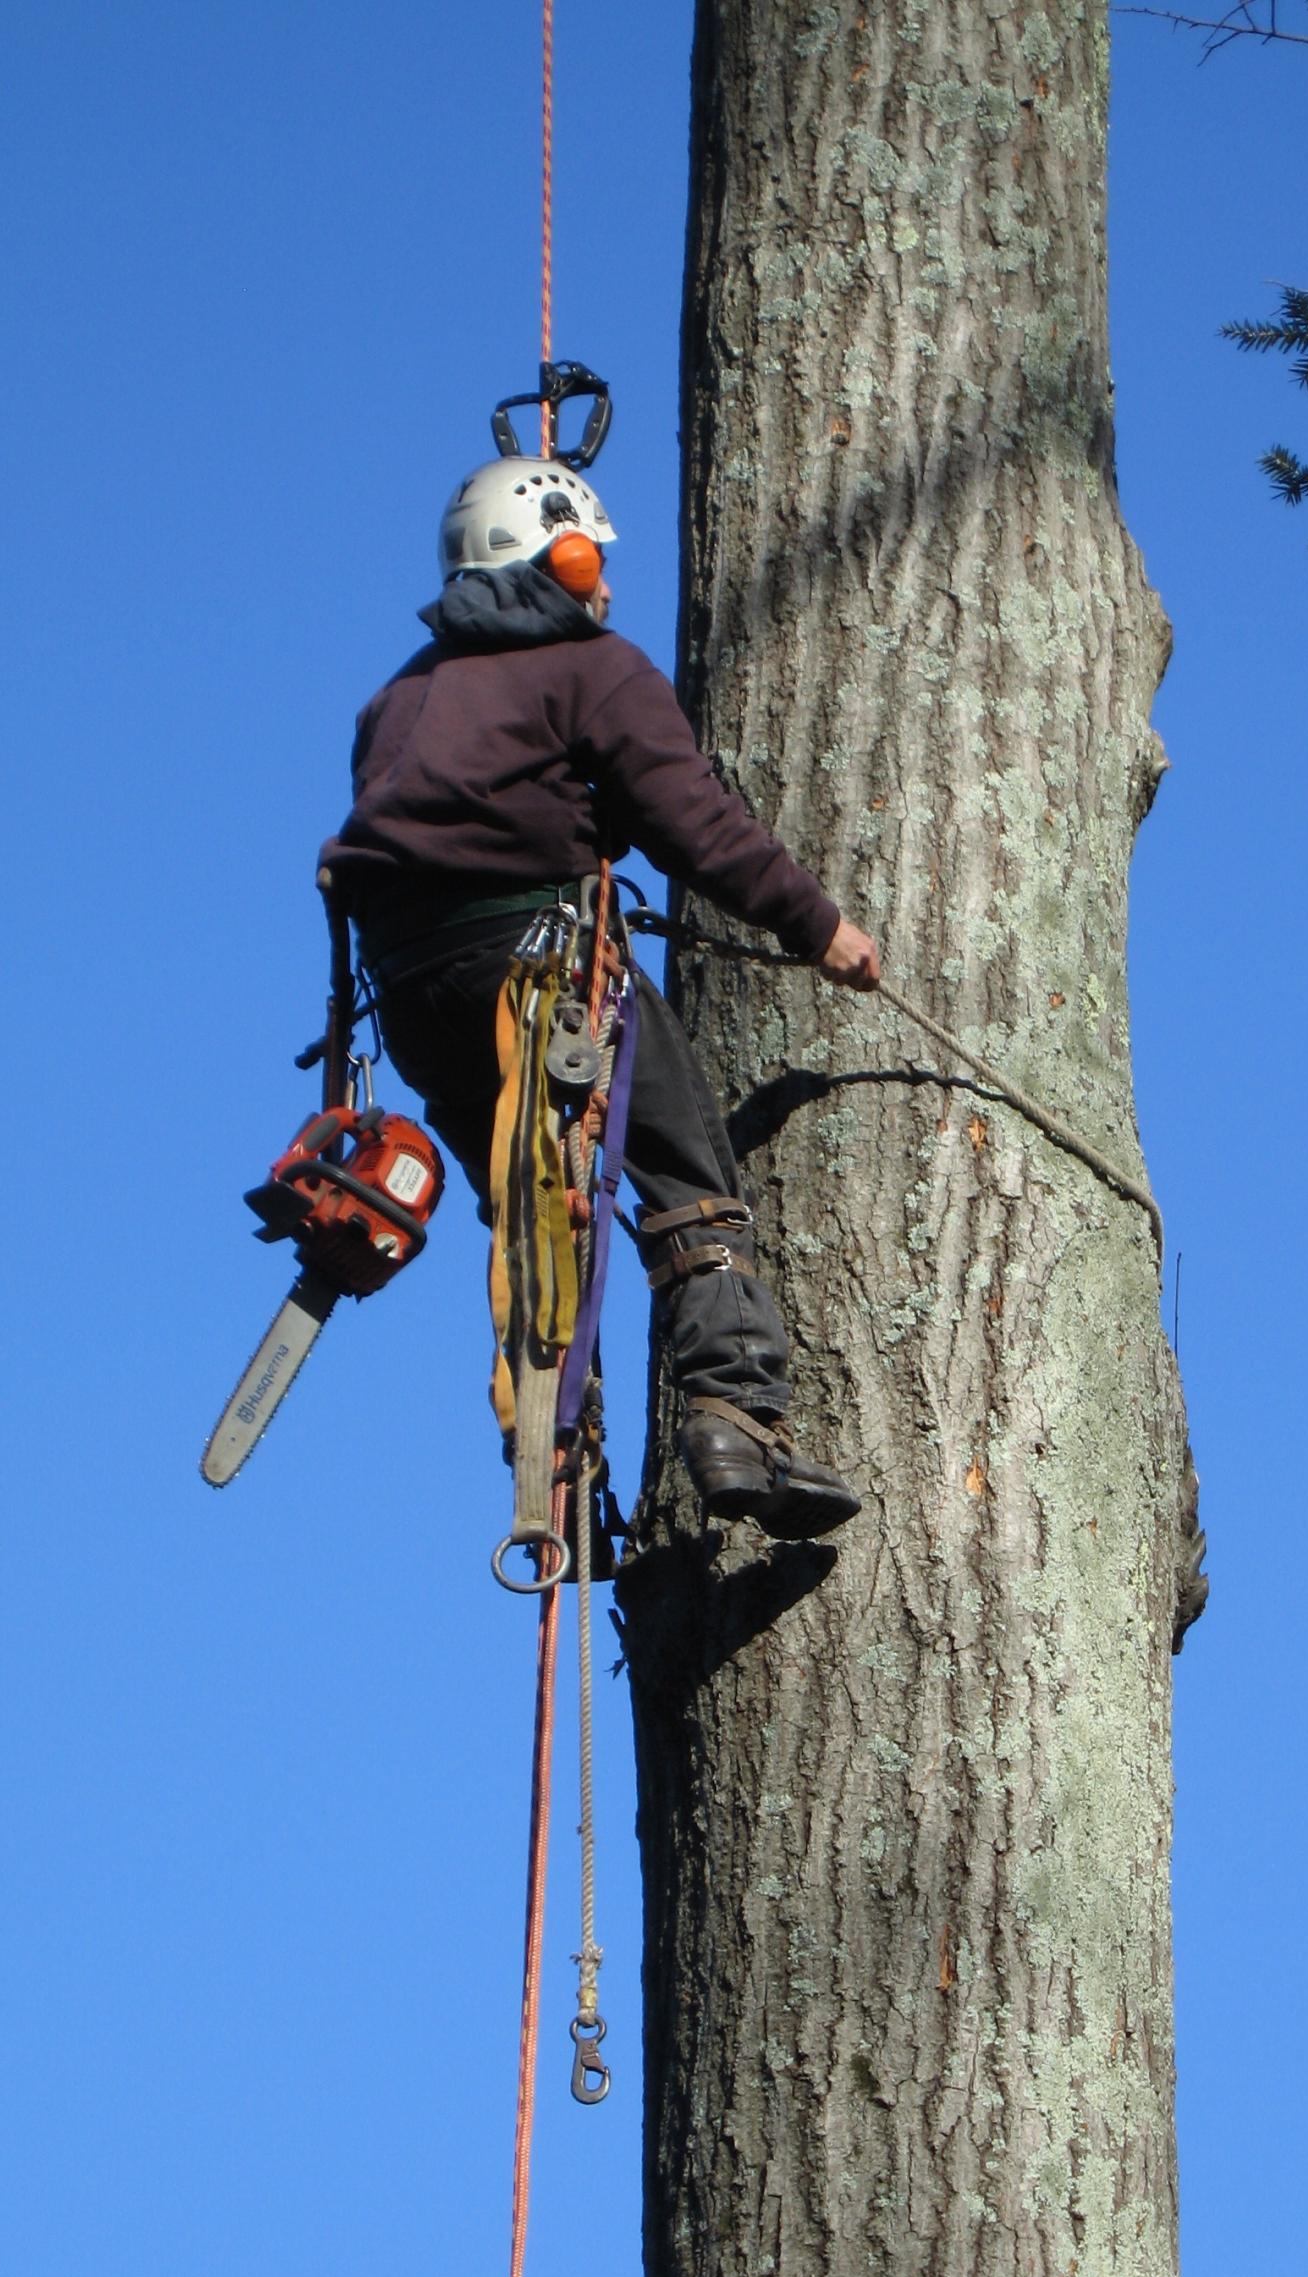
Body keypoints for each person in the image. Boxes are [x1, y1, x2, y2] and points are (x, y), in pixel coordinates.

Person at [319, 443, 881, 1538]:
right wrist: (820, 927)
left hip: (421, 1002)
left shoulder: (397, 700)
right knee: (682, 1171)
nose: (608, 587)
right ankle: (734, 1415)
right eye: (592, 565)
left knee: (542, 1211)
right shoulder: (593, 668)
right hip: (538, 971)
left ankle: (556, 1471)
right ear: (558, 559)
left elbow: (475, 812)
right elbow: (693, 821)